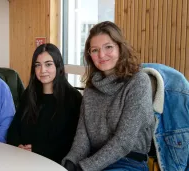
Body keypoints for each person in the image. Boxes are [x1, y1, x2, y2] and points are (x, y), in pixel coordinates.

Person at [62, 21, 155, 171]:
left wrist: (84, 168)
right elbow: (82, 139)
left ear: (120, 47)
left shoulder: (138, 82)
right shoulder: (91, 89)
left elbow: (123, 142)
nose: (101, 55)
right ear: (89, 55)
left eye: (108, 47)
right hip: (93, 159)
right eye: (94, 50)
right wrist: (70, 163)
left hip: (128, 162)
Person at [6, 43, 82, 164]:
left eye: (48, 64)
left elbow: (72, 141)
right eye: (38, 65)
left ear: (58, 66)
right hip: (22, 160)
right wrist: (18, 145)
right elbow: (14, 128)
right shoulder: (29, 93)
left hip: (53, 164)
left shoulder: (73, 98)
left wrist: (37, 150)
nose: (42, 70)